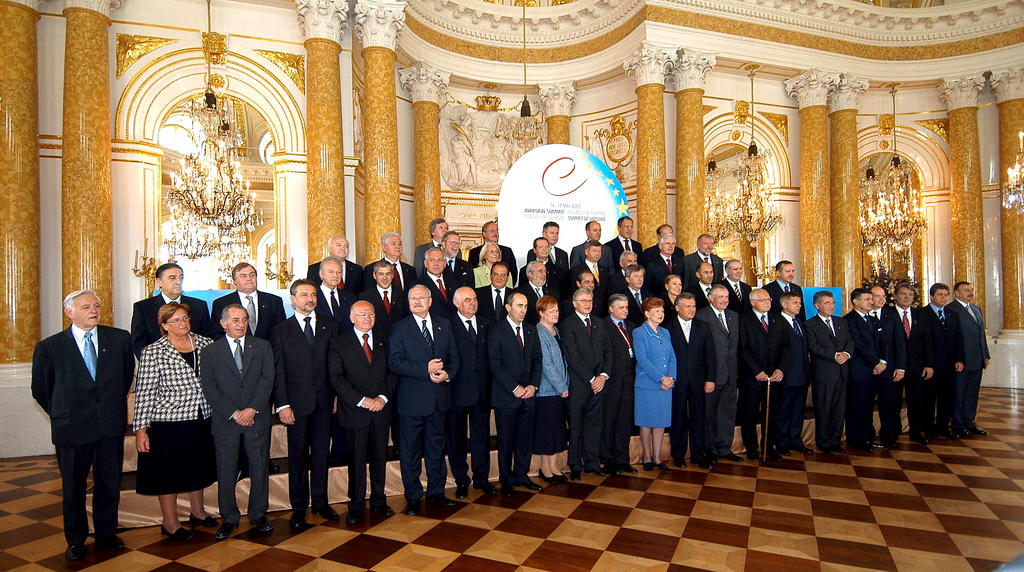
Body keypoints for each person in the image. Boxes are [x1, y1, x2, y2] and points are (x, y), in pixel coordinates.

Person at [32, 290, 134, 561]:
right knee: (73, 488)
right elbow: (41, 389)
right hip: (72, 429)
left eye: (96, 306)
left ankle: (106, 534)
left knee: (108, 483)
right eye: (86, 306)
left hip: (109, 427)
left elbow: (124, 380)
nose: (94, 310)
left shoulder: (119, 339)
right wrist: (63, 413)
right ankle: (75, 540)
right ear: (69, 312)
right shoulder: (50, 347)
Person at [133, 303, 218, 540]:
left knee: (198, 467)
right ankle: (170, 522)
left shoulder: (205, 343)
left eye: (185, 318)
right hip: (167, 422)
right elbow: (145, 392)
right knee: (167, 473)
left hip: (201, 417)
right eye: (176, 320)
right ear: (163, 326)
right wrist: (141, 429)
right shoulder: (153, 351)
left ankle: (198, 512)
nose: (183, 324)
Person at [199, 305, 275, 540]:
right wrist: (234, 412)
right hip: (226, 420)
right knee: (226, 469)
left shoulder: (262, 346)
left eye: (243, 319)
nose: (240, 324)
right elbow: (209, 386)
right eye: (235, 320)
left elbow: (267, 379)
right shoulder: (211, 351)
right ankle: (229, 517)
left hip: (257, 417)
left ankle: (258, 513)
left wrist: (252, 409)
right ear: (223, 324)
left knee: (259, 466)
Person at [271, 279, 341, 529]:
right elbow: (278, 372)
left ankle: (321, 502)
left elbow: (334, 366)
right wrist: (282, 405)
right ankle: (298, 506)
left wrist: (335, 395)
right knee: (298, 456)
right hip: (296, 405)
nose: (309, 299)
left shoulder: (330, 326)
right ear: (293, 299)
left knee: (322, 454)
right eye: (303, 295)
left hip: (324, 402)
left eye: (312, 294)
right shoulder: (281, 330)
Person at [388, 285, 461, 515]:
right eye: (412, 298)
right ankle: (412, 496)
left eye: (421, 298)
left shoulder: (444, 324)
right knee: (410, 451)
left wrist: (448, 373)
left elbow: (454, 357)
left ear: (430, 301)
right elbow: (395, 363)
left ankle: (436, 492)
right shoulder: (399, 328)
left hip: (439, 400)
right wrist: (424, 369)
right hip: (411, 402)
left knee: (436, 449)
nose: (417, 301)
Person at [329, 300, 397, 524]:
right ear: (351, 318)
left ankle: (379, 500)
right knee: (356, 460)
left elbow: (392, 372)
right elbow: (336, 378)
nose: (367, 318)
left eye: (371, 314)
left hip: (381, 409)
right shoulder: (339, 342)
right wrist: (362, 400)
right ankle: (356, 504)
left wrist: (382, 398)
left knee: (380, 457)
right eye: (362, 315)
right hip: (355, 411)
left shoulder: (384, 339)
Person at [488, 291, 543, 495]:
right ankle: (506, 479)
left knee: (524, 439)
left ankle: (521, 474)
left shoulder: (531, 330)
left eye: (526, 306)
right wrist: (515, 387)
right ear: (508, 308)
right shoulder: (496, 330)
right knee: (506, 440)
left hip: (528, 395)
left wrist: (533, 386)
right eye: (519, 306)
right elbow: (495, 363)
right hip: (506, 396)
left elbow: (538, 360)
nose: (523, 310)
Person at [447, 287, 498, 498]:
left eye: (475, 299)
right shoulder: (447, 325)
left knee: (481, 437)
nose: (473, 303)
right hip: (457, 393)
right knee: (456, 439)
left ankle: (481, 478)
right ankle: (461, 480)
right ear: (457, 303)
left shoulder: (487, 324)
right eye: (468, 300)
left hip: (482, 392)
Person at [560, 287, 613, 479]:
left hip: (599, 384)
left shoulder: (599, 322)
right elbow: (572, 357)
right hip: (579, 385)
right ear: (574, 304)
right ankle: (575, 464)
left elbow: (608, 352)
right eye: (583, 301)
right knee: (576, 426)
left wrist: (603, 376)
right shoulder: (567, 324)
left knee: (594, 424)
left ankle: (592, 462)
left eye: (589, 300)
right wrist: (592, 379)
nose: (587, 304)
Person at [665, 293, 717, 469]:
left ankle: (698, 453)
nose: (692, 309)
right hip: (676, 381)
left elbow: (710, 355)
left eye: (693, 306)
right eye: (687, 306)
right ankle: (678, 455)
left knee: (699, 417)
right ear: (677, 308)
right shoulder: (668, 327)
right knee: (677, 417)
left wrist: (710, 379)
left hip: (698, 381)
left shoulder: (703, 327)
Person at [737, 289, 787, 461]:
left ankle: (769, 446)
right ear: (752, 302)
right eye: (763, 299)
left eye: (769, 299)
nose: (767, 302)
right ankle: (751, 448)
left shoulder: (777, 319)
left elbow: (786, 347)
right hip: (752, 376)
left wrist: (780, 369)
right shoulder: (743, 319)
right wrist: (756, 371)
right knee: (749, 413)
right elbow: (742, 349)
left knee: (771, 412)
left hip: (774, 376)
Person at [804, 290, 853, 454]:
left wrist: (845, 354)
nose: (831, 306)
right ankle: (823, 442)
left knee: (839, 410)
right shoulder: (810, 324)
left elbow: (850, 342)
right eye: (827, 303)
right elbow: (814, 346)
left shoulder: (841, 322)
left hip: (842, 373)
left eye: (833, 303)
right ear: (817, 306)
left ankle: (835, 441)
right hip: (824, 374)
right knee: (824, 409)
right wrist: (834, 356)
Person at [696, 285, 741, 462]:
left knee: (727, 413)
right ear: (710, 298)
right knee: (709, 414)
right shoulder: (701, 315)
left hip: (731, 374)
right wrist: (707, 376)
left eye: (726, 297)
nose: (724, 300)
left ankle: (725, 447)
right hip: (712, 375)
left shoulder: (734, 316)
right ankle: (710, 448)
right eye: (720, 297)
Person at [131, 262, 211, 357]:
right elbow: (138, 342)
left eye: (181, 278)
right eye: (172, 278)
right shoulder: (143, 308)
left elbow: (207, 338)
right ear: (159, 282)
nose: (178, 282)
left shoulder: (199, 306)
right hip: (159, 365)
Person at [633, 297, 676, 472]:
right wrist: (661, 378)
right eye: (657, 311)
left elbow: (673, 356)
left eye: (662, 311)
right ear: (647, 313)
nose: (661, 314)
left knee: (660, 422)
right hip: (647, 384)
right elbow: (642, 359)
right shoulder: (639, 332)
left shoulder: (665, 332)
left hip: (666, 386)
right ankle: (647, 457)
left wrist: (671, 378)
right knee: (646, 422)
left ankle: (658, 458)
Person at [845, 288, 890, 451]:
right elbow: (859, 345)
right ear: (856, 302)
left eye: (871, 299)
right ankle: (856, 440)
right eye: (867, 299)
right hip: (860, 371)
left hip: (875, 370)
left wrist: (883, 361)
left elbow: (883, 341)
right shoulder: (849, 320)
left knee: (868, 406)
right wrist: (875, 363)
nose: (871, 302)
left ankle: (867, 438)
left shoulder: (873, 319)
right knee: (857, 407)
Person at [892, 284, 935, 444]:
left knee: (917, 401)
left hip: (917, 367)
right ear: (895, 296)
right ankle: (893, 433)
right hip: (895, 368)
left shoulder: (920, 315)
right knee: (894, 402)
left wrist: (929, 364)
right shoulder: (889, 315)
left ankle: (916, 432)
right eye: (903, 294)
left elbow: (928, 342)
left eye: (910, 294)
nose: (907, 297)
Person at [534, 295, 570, 483]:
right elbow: (547, 365)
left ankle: (554, 467)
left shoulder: (556, 330)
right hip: (547, 391)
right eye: (551, 311)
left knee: (557, 430)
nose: (556, 314)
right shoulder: (539, 332)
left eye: (557, 310)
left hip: (559, 390)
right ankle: (545, 469)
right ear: (541, 313)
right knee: (547, 432)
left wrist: (565, 384)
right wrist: (562, 386)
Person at [947, 281, 990, 437]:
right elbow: (952, 338)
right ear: (956, 293)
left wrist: (986, 354)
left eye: (971, 290)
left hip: (977, 359)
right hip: (962, 361)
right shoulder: (951, 309)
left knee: (973, 393)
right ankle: (958, 424)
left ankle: (969, 422)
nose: (970, 293)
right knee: (959, 393)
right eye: (966, 290)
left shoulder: (976, 309)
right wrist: (957, 359)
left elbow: (981, 335)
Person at [774, 291, 812, 457]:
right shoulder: (778, 323)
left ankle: (796, 440)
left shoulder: (799, 322)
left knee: (798, 411)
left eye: (800, 303)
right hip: (786, 376)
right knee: (784, 411)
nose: (799, 305)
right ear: (784, 304)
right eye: (795, 302)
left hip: (802, 375)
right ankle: (782, 443)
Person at [868, 286, 907, 447]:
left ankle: (889, 436)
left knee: (889, 405)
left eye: (883, 296)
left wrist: (901, 367)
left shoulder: (892, 316)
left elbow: (900, 343)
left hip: (890, 370)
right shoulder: (862, 316)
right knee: (866, 405)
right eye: (877, 296)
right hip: (868, 370)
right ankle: (868, 436)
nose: (882, 299)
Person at [603, 294, 638, 473]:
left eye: (626, 307)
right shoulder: (603, 326)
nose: (625, 310)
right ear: (611, 309)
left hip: (629, 381)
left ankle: (623, 459)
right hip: (612, 382)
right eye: (621, 307)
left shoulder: (632, 328)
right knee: (609, 421)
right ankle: (609, 461)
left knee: (625, 421)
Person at [925, 283, 964, 440]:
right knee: (929, 398)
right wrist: (927, 363)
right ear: (932, 296)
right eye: (940, 295)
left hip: (949, 364)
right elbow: (922, 341)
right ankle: (929, 428)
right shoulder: (923, 314)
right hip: (931, 364)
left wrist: (959, 359)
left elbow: (958, 339)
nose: (943, 298)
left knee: (947, 397)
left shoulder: (952, 314)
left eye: (945, 295)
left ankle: (943, 427)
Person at [210, 262, 286, 340]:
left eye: (252, 275)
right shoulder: (221, 304)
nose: (249, 279)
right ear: (235, 281)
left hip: (268, 350)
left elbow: (281, 332)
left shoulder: (274, 301)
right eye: (243, 276)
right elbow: (217, 333)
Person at [358, 260, 409, 337]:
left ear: (392, 275)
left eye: (388, 274)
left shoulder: (402, 295)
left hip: (398, 339)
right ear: (374, 276)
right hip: (376, 341)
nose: (385, 277)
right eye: (381, 274)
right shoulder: (364, 297)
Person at [570, 240, 611, 316]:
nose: (597, 254)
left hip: (603, 312)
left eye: (599, 251)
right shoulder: (576, 270)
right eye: (594, 251)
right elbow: (573, 291)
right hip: (586, 311)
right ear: (586, 252)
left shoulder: (604, 269)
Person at [315, 256, 356, 330]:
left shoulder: (350, 298)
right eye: (331, 271)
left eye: (339, 272)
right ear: (321, 274)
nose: (335, 275)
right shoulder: (313, 297)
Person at [418, 246, 459, 319]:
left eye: (440, 260)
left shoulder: (454, 283)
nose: (436, 263)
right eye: (432, 260)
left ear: (444, 264)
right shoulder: (418, 285)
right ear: (425, 263)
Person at [644, 233, 685, 298]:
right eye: (667, 243)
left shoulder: (680, 262)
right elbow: (647, 288)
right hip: (659, 301)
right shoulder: (652, 265)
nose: (671, 246)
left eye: (673, 244)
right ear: (660, 246)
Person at [519, 260, 557, 324]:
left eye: (545, 271)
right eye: (540, 271)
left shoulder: (553, 293)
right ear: (530, 274)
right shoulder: (520, 293)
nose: (544, 274)